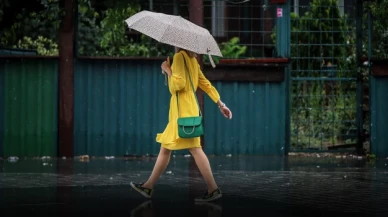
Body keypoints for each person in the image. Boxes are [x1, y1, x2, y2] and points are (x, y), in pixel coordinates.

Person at [130, 47, 232, 202]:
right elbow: (205, 84)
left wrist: (167, 70)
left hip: (181, 111)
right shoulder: (193, 60)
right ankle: (148, 186)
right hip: (189, 109)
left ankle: (213, 188)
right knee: (168, 147)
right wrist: (220, 104)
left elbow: (178, 85)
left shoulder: (178, 57)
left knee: (193, 149)